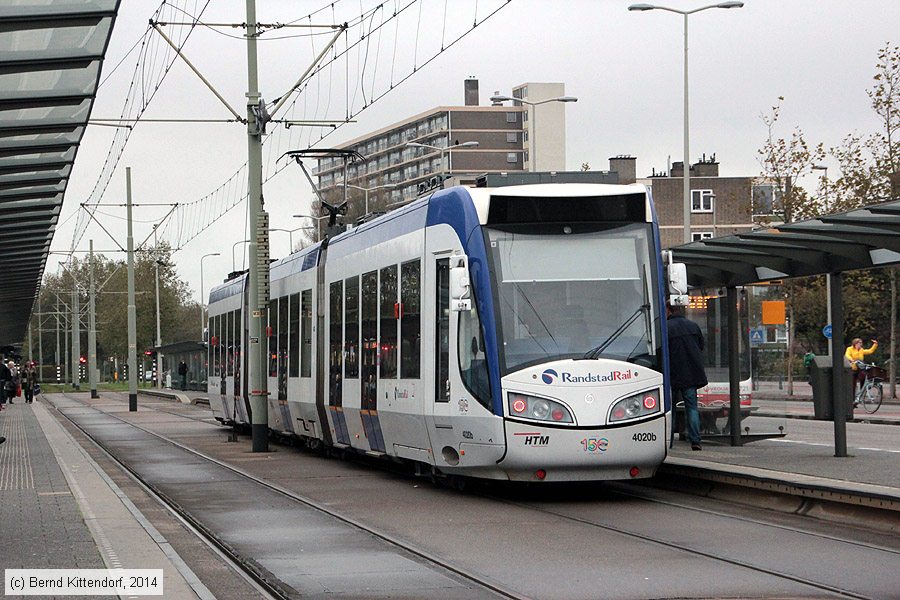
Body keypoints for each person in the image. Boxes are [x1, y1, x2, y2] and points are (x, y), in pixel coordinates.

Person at [666, 305, 708, 451]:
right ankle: (695, 440)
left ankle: (668, 441)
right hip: (690, 374)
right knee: (691, 408)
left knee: (669, 409)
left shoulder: (666, 328)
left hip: (672, 374)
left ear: (668, 310)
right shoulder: (693, 326)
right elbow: (701, 346)